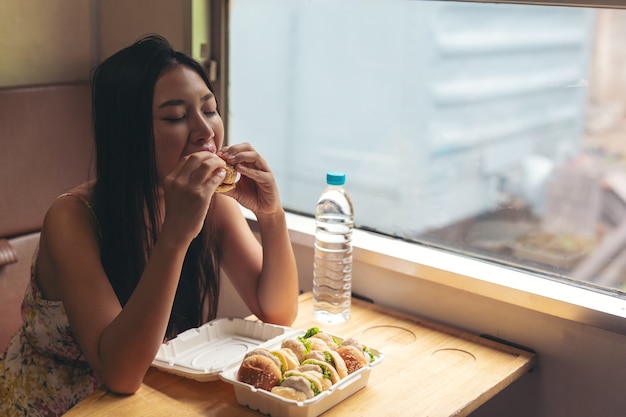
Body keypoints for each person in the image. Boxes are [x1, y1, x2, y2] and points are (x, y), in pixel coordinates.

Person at [0, 34, 299, 417]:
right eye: (176, 116)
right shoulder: (72, 219)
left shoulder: (211, 202)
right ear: (130, 134)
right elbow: (120, 373)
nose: (205, 131)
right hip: (58, 405)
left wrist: (271, 216)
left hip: (146, 396)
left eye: (209, 110)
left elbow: (277, 311)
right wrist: (175, 236)